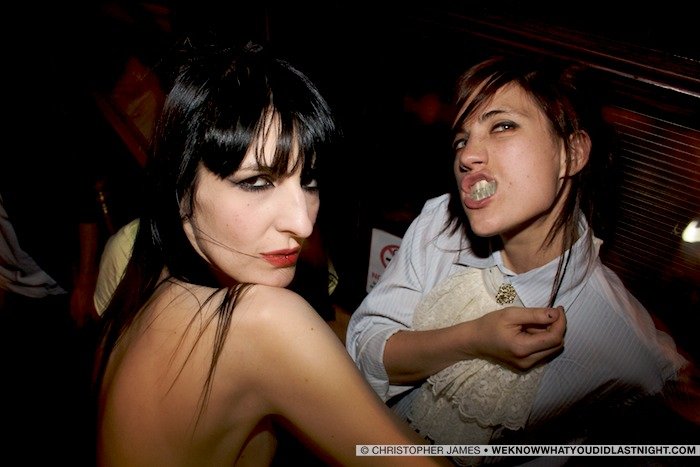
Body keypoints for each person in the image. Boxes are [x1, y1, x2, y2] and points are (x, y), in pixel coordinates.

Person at [93, 39, 453, 466]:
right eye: (257, 182)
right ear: (181, 191)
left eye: (309, 181)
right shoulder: (261, 318)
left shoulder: (145, 279)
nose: (302, 224)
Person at [345, 55, 689, 464]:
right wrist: (470, 339)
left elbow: (670, 397)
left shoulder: (615, 330)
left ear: (571, 153)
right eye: (461, 139)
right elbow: (364, 350)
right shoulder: (440, 225)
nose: (467, 156)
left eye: (502, 126)